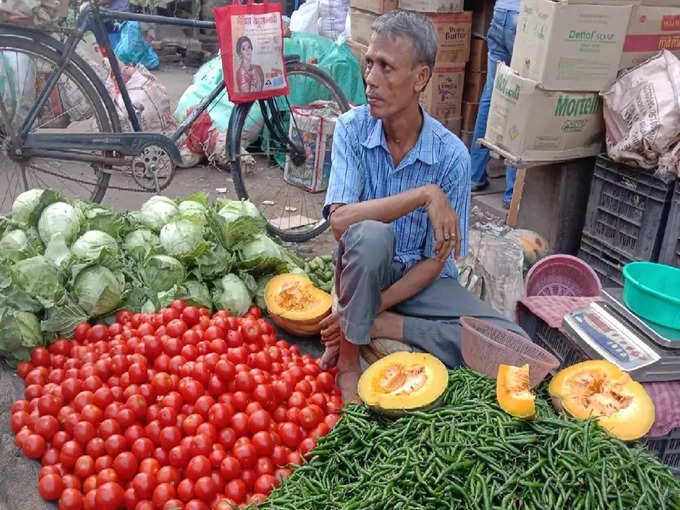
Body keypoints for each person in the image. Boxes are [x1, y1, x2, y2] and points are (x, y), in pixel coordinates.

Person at [319, 10, 527, 402]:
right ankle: (348, 364)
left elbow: (437, 261)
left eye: (386, 68)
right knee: (370, 236)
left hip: (423, 282)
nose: (370, 79)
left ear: (420, 78)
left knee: (515, 347)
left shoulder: (451, 155)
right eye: (369, 63)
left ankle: (388, 326)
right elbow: (340, 223)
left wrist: (373, 311)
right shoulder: (352, 128)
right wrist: (423, 194)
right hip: (364, 269)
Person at [469, 1, 521, 209]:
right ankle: (512, 194)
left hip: (501, 12)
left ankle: (474, 175)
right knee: (519, 98)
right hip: (527, 19)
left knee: (492, 93)